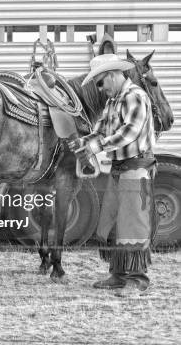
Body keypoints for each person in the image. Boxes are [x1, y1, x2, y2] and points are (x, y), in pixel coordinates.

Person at [69, 53, 157, 293]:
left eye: (100, 83)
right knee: (114, 223)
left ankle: (137, 279)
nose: (99, 89)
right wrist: (84, 142)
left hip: (136, 167)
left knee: (133, 225)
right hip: (121, 168)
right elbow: (100, 132)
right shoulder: (112, 102)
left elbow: (130, 132)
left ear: (111, 76)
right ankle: (118, 275)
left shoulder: (135, 97)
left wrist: (95, 147)